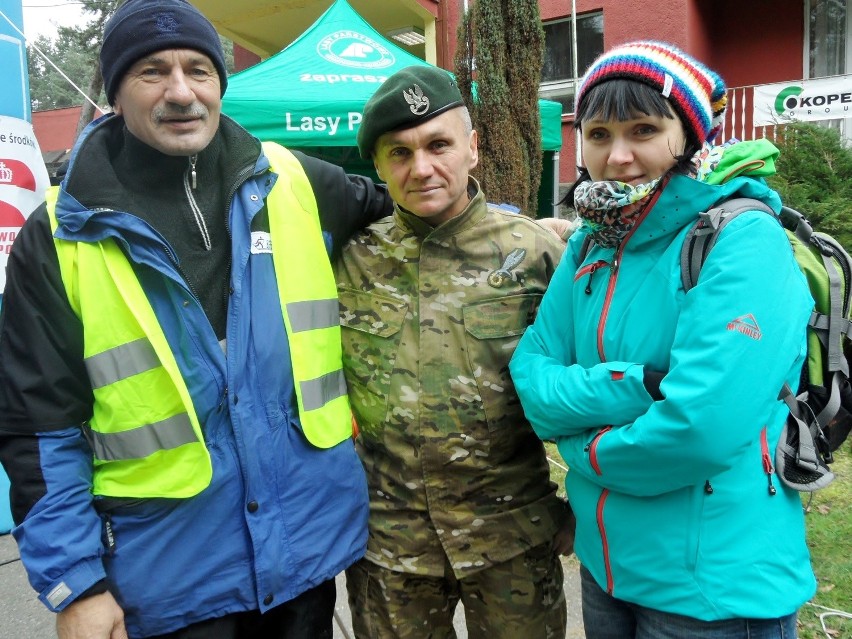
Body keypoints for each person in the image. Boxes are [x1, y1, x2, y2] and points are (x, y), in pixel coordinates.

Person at [0, 1, 393, 637]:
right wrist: (78, 584)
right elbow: (37, 431)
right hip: (171, 584)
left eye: (198, 70)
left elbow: (420, 204)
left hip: (304, 561)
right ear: (112, 91)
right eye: (152, 71)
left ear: (220, 84)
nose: (181, 92)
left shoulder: (292, 181)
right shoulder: (59, 237)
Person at [509, 41, 817, 639]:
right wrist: (636, 385)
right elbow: (532, 376)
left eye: (643, 129)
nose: (617, 155)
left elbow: (698, 428)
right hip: (607, 572)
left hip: (715, 595)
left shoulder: (744, 240)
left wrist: (580, 453)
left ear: (689, 136)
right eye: (597, 134)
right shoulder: (589, 245)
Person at [336, 65, 571, 639]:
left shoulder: (537, 254)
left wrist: (581, 504)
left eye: (438, 145)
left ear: (472, 148)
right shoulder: (346, 257)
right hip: (391, 549)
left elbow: (589, 385)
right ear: (378, 165)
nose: (421, 168)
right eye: (399, 153)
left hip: (512, 538)